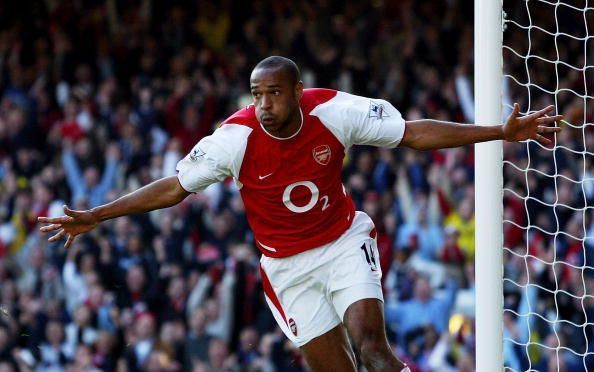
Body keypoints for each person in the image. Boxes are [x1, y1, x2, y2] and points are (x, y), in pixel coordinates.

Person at [38, 56, 562, 371]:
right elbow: (174, 187)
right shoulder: (233, 140)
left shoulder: (334, 111)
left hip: (341, 244)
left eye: (273, 93)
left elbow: (413, 134)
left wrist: (497, 132)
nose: (264, 104)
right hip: (286, 269)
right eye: (256, 95)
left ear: (296, 92)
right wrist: (97, 215)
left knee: (375, 354)